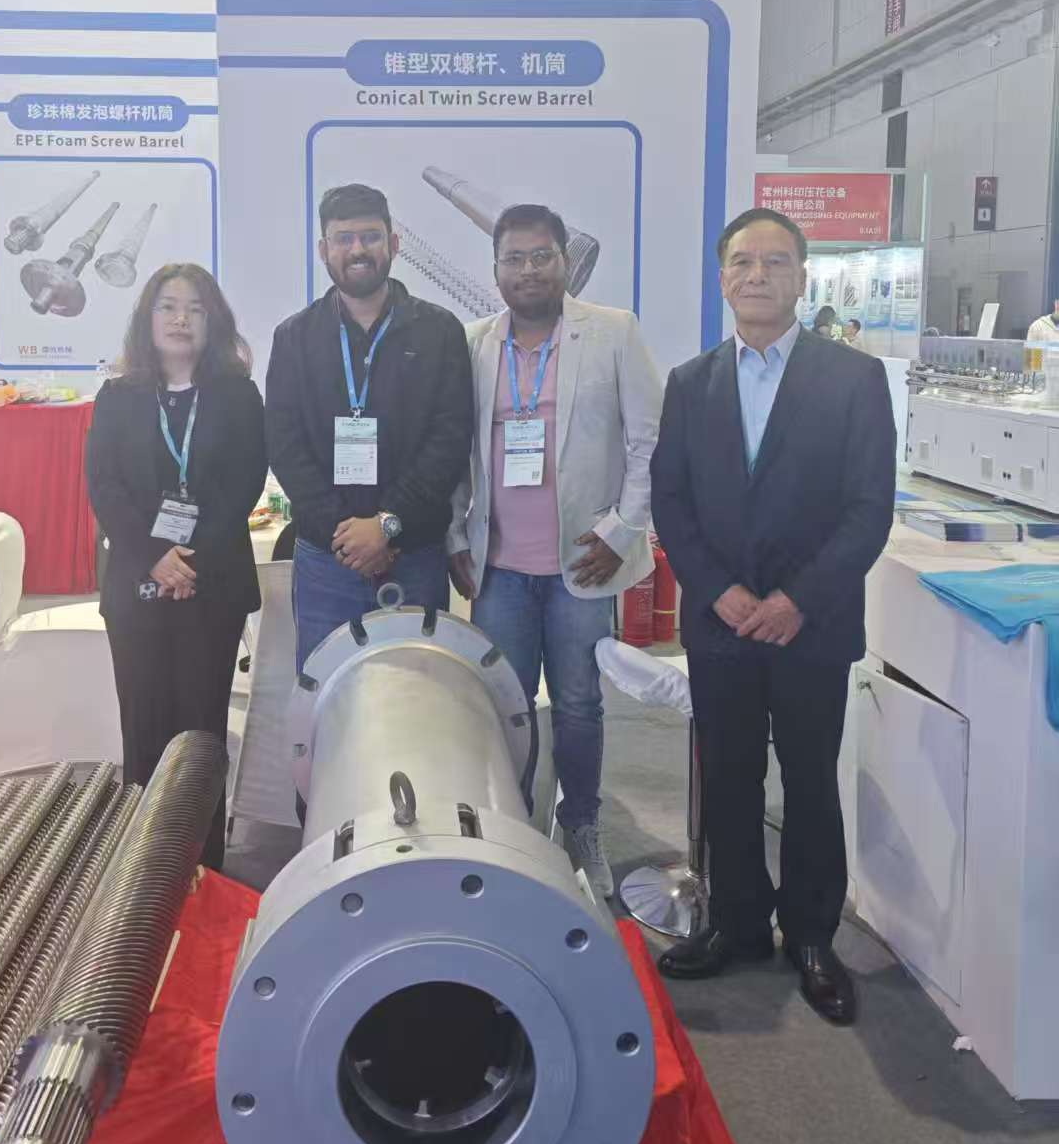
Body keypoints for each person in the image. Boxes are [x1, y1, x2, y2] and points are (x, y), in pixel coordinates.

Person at [650, 208, 895, 1025]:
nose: (757, 275)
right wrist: (715, 588)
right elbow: (671, 500)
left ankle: (812, 936)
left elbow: (867, 508)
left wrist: (797, 600)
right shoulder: (690, 383)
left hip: (809, 625)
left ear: (801, 276)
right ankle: (738, 924)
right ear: (722, 277)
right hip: (720, 621)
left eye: (775, 262)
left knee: (809, 779)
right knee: (726, 776)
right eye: (742, 262)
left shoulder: (851, 378)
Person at [448, 205, 662, 897]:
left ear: (565, 262)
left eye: (541, 256)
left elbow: (649, 443)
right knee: (503, 708)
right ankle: (511, 833)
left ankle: (581, 826)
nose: (528, 270)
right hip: (499, 570)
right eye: (514, 258)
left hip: (582, 563)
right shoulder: (472, 344)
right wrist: (455, 535)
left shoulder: (612, 332)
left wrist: (622, 532)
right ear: (496, 270)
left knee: (578, 705)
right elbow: (454, 452)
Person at [86, 262, 267, 868]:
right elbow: (104, 487)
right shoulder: (118, 397)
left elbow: (244, 483)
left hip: (211, 587)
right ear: (148, 317)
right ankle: (140, 874)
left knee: (201, 731)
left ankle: (202, 869)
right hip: (137, 585)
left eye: (194, 307)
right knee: (143, 726)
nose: (181, 318)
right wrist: (153, 558)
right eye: (168, 305)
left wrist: (189, 561)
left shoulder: (238, 395)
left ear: (214, 321)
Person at [266, 182, 474, 670]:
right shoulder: (295, 337)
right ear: (324, 250)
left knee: (415, 693)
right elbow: (284, 445)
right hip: (326, 561)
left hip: (413, 555)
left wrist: (386, 525)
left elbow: (448, 440)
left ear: (393, 244)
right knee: (326, 695)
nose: (357, 249)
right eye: (343, 238)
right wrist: (346, 536)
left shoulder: (439, 332)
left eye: (370, 236)